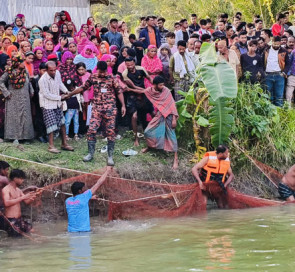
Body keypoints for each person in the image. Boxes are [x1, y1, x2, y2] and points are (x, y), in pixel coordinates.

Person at [66, 61, 126, 165]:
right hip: (97, 108)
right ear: (97, 69)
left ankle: (110, 156)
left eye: (104, 72)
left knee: (110, 132)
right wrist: (70, 94)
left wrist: (123, 105)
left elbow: (119, 91)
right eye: (100, 71)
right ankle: (90, 154)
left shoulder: (112, 78)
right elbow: (82, 88)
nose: (102, 74)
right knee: (91, 130)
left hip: (110, 108)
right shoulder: (93, 77)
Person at [129, 76, 179, 169]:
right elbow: (141, 91)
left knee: (171, 136)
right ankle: (150, 146)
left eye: (163, 84)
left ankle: (176, 158)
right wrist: (129, 88)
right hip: (160, 114)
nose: (162, 86)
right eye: (160, 85)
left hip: (170, 115)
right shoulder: (150, 90)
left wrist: (174, 119)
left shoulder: (166, 91)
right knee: (148, 131)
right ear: (155, 85)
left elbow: (172, 105)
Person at [38, 61, 74, 153]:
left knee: (62, 123)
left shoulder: (57, 73)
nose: (53, 72)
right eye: (51, 71)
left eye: (54, 70)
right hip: (47, 104)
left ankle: (64, 143)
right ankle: (51, 146)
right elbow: (46, 94)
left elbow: (60, 84)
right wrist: (60, 97)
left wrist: (66, 92)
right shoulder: (42, 80)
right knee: (51, 125)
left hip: (57, 103)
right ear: (46, 70)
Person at [0, 56, 34, 144]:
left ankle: (26, 137)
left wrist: (31, 90)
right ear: (17, 63)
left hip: (25, 97)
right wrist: (6, 93)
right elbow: (1, 82)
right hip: (13, 98)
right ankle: (14, 137)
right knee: (14, 117)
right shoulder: (9, 72)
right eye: (22, 62)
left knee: (25, 116)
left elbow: (29, 82)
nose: (24, 63)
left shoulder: (25, 71)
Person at [66, 168, 111, 232]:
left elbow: (77, 202)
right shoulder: (85, 196)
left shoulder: (68, 201)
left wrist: (90, 198)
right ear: (80, 191)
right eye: (84, 188)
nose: (85, 189)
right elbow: (99, 183)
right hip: (84, 231)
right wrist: (107, 171)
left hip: (71, 231)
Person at [122, 57, 153, 146]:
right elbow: (134, 87)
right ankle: (136, 137)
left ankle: (153, 134)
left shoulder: (141, 69)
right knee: (134, 117)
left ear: (134, 63)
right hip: (133, 95)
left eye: (131, 64)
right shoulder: (125, 74)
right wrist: (145, 90)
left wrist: (153, 85)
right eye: (128, 65)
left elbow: (149, 77)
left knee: (153, 113)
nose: (130, 66)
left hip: (144, 94)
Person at [2, 169, 36, 237]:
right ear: (15, 178)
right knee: (17, 239)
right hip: (11, 220)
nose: (22, 180)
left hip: (19, 219)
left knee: (32, 231)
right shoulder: (6, 189)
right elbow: (6, 203)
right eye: (21, 178)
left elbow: (27, 202)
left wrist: (34, 196)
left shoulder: (18, 190)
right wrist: (23, 197)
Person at [263, 36, 289, 107]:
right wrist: (263, 72)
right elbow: (262, 61)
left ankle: (279, 112)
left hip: (279, 75)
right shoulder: (266, 50)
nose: (276, 46)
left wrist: (284, 72)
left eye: (278, 44)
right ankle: (269, 111)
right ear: (272, 42)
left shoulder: (284, 51)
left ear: (280, 43)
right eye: (275, 44)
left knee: (279, 96)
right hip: (268, 75)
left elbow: (288, 63)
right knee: (268, 95)